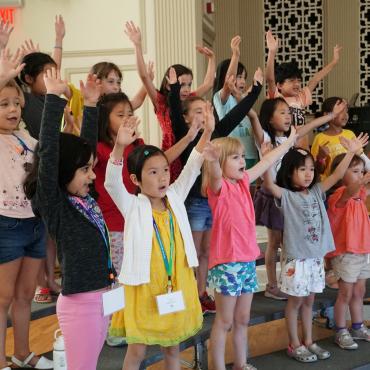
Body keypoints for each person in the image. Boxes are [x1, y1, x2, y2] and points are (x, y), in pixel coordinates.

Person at [104, 102, 215, 370]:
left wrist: (207, 132)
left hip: (175, 281)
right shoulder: (133, 205)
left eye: (165, 170)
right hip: (144, 286)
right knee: (137, 349)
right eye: (153, 172)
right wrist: (119, 146)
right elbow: (111, 182)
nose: (163, 177)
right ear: (136, 179)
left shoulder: (175, 197)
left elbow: (191, 165)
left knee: (173, 344)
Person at [24, 69, 114, 370]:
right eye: (85, 170)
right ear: (64, 173)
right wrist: (52, 99)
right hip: (82, 305)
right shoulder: (57, 205)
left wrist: (90, 105)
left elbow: (84, 148)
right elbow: (50, 153)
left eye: (92, 168)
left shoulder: (84, 199)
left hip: (103, 297)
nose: (92, 175)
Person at [262, 133, 368, 363]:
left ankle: (309, 341)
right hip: (296, 260)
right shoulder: (287, 196)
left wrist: (352, 151)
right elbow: (269, 184)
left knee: (309, 301)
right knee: (295, 303)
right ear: (290, 172)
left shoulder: (318, 191)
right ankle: (294, 343)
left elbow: (339, 174)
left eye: (311, 169)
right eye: (302, 169)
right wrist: (267, 157)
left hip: (314, 258)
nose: (309, 173)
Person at [167, 66, 263, 313]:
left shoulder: (218, 132)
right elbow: (174, 112)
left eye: (206, 110)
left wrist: (257, 91)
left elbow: (239, 112)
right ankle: (190, 294)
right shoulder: (183, 131)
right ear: (187, 117)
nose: (203, 115)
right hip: (197, 202)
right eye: (197, 111)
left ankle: (202, 292)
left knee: (208, 251)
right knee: (193, 251)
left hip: (218, 203)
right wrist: (175, 89)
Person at [202, 127, 297, 370]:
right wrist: (212, 161)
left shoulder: (243, 182)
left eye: (243, 156)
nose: (242, 161)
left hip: (245, 261)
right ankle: (218, 367)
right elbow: (214, 176)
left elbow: (265, 162)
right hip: (227, 263)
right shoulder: (219, 188)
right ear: (221, 162)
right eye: (235, 157)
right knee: (224, 321)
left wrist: (286, 145)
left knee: (243, 318)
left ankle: (241, 363)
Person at [250, 98, 346, 300]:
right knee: (274, 241)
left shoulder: (290, 137)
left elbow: (308, 126)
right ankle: (272, 284)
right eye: (282, 113)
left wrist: (329, 116)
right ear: (269, 118)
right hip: (274, 193)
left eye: (288, 112)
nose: (287, 116)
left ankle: (291, 279)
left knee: (288, 240)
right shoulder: (266, 138)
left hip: (291, 194)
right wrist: (250, 109)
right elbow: (256, 124)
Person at [0, 49, 52, 370]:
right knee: (3, 299)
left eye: (17, 103)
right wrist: (5, 76)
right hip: (6, 225)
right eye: (4, 104)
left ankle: (22, 352)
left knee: (25, 295)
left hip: (34, 223)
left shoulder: (27, 138)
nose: (13, 109)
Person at [124, 20, 216, 181]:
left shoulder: (191, 99)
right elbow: (144, 77)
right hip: (171, 152)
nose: (186, 89)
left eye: (189, 84)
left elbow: (208, 83)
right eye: (182, 84)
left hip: (191, 149)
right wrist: (137, 45)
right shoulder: (160, 102)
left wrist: (211, 58)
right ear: (169, 84)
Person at [265, 30, 341, 149]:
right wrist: (272, 52)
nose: (297, 84)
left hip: (303, 146)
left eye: (298, 80)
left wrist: (334, 62)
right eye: (291, 81)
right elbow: (270, 79)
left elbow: (315, 79)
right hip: (284, 146)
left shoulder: (301, 97)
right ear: (279, 85)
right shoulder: (276, 98)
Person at [325, 153, 370, 349]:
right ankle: (341, 330)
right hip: (346, 253)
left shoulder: (360, 195)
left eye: (362, 171)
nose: (360, 175)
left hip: (362, 251)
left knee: (359, 291)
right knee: (345, 293)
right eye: (354, 171)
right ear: (341, 173)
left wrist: (360, 154)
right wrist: (362, 180)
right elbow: (351, 190)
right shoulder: (339, 196)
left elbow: (360, 188)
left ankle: (358, 326)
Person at [212, 35, 259, 174]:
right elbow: (229, 81)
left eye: (244, 77)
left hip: (251, 154)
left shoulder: (243, 98)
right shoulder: (222, 99)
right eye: (239, 77)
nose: (243, 81)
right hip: (232, 156)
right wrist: (235, 55)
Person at [311, 97, 370, 180]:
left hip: (350, 182)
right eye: (340, 111)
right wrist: (320, 158)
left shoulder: (349, 134)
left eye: (346, 111)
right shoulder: (319, 138)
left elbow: (359, 161)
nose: (345, 115)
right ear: (327, 115)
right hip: (331, 186)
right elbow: (318, 170)